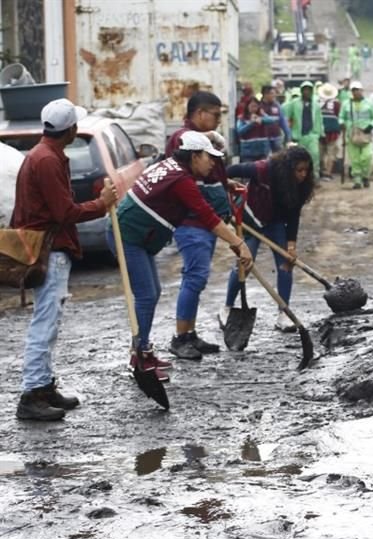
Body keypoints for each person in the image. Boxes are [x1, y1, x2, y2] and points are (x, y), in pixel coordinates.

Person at [108, 132, 252, 384]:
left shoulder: (172, 167)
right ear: (194, 156)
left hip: (136, 235)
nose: (212, 163)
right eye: (209, 157)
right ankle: (139, 359)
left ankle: (144, 351)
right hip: (126, 236)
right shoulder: (181, 180)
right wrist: (238, 243)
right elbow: (207, 216)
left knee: (152, 292)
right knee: (146, 296)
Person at [12, 98, 119, 421]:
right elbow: (65, 213)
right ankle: (32, 394)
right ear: (70, 130)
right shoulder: (47, 160)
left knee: (49, 320)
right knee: (45, 322)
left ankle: (44, 387)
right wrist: (101, 203)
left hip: (48, 246)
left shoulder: (44, 154)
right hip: (50, 248)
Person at [166, 91, 234, 360]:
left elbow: (208, 175)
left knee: (197, 278)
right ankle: (180, 338)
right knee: (194, 278)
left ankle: (190, 334)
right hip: (191, 221)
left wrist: (226, 185)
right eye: (215, 115)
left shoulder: (202, 140)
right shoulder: (183, 139)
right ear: (200, 113)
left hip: (205, 223)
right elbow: (183, 180)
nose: (218, 120)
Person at [221, 146, 315, 332]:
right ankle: (227, 308)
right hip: (251, 220)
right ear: (288, 168)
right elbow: (230, 171)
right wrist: (225, 186)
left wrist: (291, 246)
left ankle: (283, 314)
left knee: (286, 264)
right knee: (244, 263)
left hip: (275, 223)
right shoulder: (264, 169)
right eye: (299, 170)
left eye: (306, 170)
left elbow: (293, 216)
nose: (303, 175)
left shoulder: (301, 186)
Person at [283, 81, 324, 179]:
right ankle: (298, 178)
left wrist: (321, 133)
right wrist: (287, 132)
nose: (307, 92)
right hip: (298, 135)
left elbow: (319, 119)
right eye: (305, 89)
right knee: (298, 159)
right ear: (301, 91)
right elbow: (285, 114)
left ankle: (314, 177)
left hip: (312, 134)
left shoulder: (316, 105)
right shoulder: (294, 103)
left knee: (314, 156)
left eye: (309, 89)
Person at [339, 80, 373, 189]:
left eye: (357, 90)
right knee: (355, 159)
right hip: (352, 134)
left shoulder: (369, 103)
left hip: (365, 134)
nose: (356, 92)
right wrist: (342, 123)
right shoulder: (346, 104)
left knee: (367, 157)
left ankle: (365, 176)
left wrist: (370, 126)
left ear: (362, 90)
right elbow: (341, 117)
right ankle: (357, 180)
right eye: (354, 90)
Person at [317, 82, 342, 181]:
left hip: (320, 130)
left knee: (320, 152)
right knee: (331, 153)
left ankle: (321, 171)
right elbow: (339, 116)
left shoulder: (317, 102)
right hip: (332, 131)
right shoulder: (336, 104)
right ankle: (328, 173)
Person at [237, 97, 272, 162]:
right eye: (251, 106)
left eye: (256, 106)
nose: (254, 108)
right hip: (248, 152)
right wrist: (251, 123)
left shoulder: (262, 116)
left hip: (262, 151)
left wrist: (262, 118)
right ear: (247, 107)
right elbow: (239, 131)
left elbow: (272, 120)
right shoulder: (242, 118)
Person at [260, 84, 291, 151]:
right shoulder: (259, 106)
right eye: (272, 93)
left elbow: (283, 121)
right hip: (264, 139)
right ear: (265, 94)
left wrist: (288, 135)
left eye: (274, 93)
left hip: (277, 137)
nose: (274, 95)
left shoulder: (277, 105)